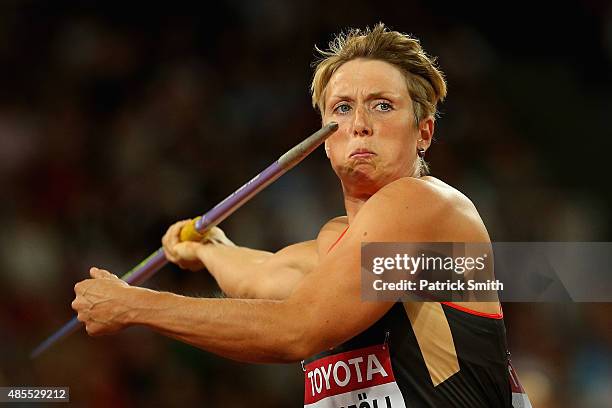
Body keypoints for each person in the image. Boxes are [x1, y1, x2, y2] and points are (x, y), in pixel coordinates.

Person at [72, 23, 530, 407]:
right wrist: (208, 248)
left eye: (383, 105)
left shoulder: (425, 205)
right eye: (342, 109)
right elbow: (263, 274)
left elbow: (297, 329)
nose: (360, 123)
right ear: (325, 138)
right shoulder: (339, 247)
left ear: (424, 132)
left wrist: (135, 304)